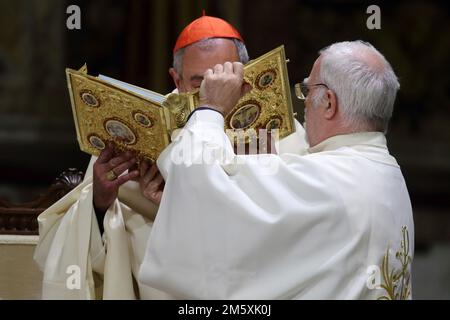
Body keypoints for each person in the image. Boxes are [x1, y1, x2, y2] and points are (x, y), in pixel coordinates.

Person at [33, 15, 308, 299]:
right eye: (198, 83)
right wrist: (100, 202)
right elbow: (66, 248)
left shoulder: (278, 134)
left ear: (245, 72)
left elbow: (304, 223)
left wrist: (179, 201)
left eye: (222, 78)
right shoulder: (135, 132)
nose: (210, 92)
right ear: (176, 78)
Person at [138, 40, 414, 299]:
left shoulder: (326, 179)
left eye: (307, 90)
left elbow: (197, 172)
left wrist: (211, 108)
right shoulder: (388, 174)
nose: (304, 102)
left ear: (329, 102)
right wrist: (189, 202)